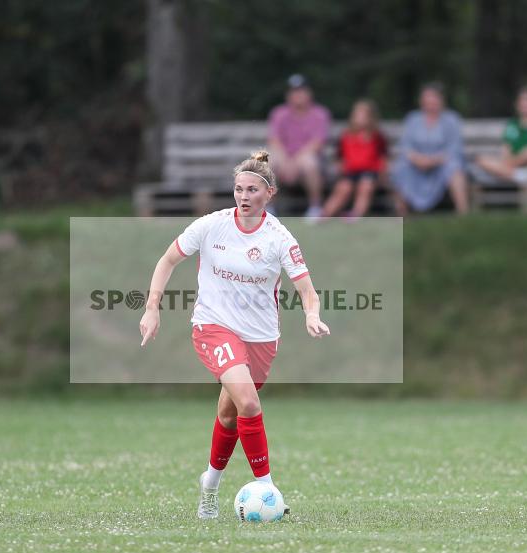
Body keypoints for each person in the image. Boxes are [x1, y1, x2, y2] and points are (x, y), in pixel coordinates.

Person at [138, 149, 331, 519]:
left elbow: (308, 291)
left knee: (230, 414)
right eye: (239, 189)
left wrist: (311, 315)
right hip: (213, 327)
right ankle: (269, 490)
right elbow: (167, 260)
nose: (244, 196)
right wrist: (152, 307)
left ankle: (209, 485)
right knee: (250, 404)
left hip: (261, 338)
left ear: (269, 194)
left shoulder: (280, 238)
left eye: (252, 190)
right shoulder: (212, 225)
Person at [391, 82, 469, 215]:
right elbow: (406, 147)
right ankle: (402, 214)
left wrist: (433, 160)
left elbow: (454, 149)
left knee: (454, 167)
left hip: (441, 164)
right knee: (400, 168)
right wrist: (418, 159)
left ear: (441, 100)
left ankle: (463, 211)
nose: (431, 103)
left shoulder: (451, 119)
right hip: (417, 164)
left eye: (434, 99)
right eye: (427, 99)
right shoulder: (412, 119)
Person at [267, 74, 331, 219]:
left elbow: (317, 144)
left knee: (309, 162)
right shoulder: (279, 113)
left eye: (301, 91)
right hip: (284, 158)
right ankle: (269, 208)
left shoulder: (320, 114)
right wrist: (285, 161)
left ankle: (315, 207)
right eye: (294, 91)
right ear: (288, 95)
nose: (298, 95)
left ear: (309, 93)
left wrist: (294, 163)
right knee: (267, 162)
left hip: (308, 159)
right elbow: (274, 141)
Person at [320, 99, 389, 221]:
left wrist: (383, 173)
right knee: (343, 189)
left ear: (371, 118)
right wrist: (340, 167)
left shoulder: (377, 137)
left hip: (370, 172)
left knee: (365, 187)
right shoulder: (346, 135)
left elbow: (383, 157)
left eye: (364, 115)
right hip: (350, 171)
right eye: (358, 115)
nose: (360, 118)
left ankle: (355, 215)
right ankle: (324, 215)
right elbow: (340, 156)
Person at [474, 87, 527, 185]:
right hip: (512, 168)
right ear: (517, 104)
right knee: (482, 160)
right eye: (523, 100)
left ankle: (509, 174)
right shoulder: (512, 125)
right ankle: (516, 175)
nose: (526, 104)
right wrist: (521, 158)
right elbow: (506, 153)